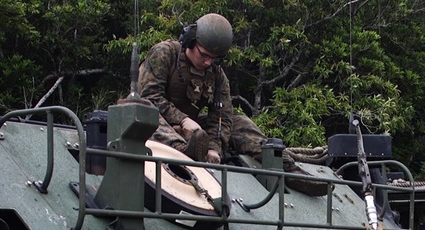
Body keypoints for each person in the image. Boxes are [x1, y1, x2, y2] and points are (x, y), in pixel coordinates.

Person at [137, 13, 320, 193]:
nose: (208, 62)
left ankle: (287, 167)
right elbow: (150, 96)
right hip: (155, 119)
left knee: (241, 122)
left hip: (194, 131)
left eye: (215, 58)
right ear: (190, 41)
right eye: (204, 55)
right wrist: (183, 120)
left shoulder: (216, 74)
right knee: (149, 115)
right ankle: (183, 150)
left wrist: (214, 148)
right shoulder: (165, 53)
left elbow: (221, 116)